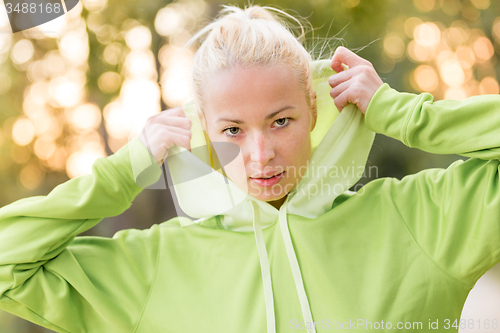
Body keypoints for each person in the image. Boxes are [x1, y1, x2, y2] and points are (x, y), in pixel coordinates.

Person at [1, 4, 499, 333]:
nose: (260, 156)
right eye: (233, 131)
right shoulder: (157, 266)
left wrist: (404, 114)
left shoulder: (413, 221)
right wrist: (124, 171)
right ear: (204, 130)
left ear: (312, 109)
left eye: (280, 121)